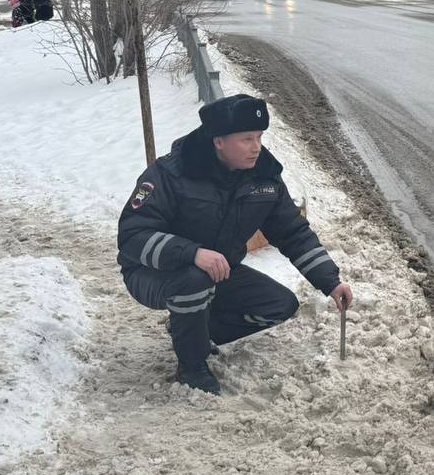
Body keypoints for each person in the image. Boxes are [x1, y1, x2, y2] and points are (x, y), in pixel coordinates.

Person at [117, 93, 353, 395]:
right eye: (246, 139)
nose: (256, 147)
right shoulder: (172, 173)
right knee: (193, 279)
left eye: (259, 137)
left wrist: (331, 282)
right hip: (152, 272)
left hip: (218, 271)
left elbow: (293, 233)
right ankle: (193, 367)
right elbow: (132, 236)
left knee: (280, 305)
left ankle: (192, 331)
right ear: (218, 141)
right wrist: (192, 253)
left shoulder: (264, 178)